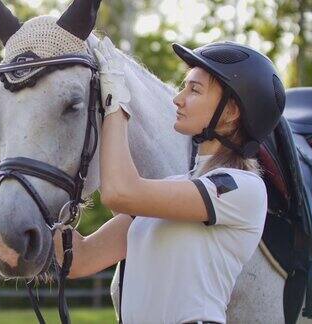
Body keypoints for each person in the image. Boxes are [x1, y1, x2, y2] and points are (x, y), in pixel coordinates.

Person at [54, 38, 286, 324]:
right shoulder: (172, 190)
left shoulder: (241, 188)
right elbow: (80, 258)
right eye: (183, 87)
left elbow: (119, 193)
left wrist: (117, 106)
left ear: (232, 111)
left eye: (194, 89)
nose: (178, 98)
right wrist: (37, 195)